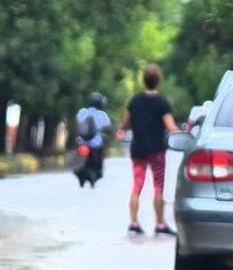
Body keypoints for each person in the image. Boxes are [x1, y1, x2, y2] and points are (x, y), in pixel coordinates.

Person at [122, 64, 180, 236]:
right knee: (158, 187)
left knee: (137, 185)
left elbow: (125, 123)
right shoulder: (162, 103)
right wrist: (185, 135)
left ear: (143, 80)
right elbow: (171, 127)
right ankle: (160, 225)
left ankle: (133, 223)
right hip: (156, 151)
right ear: (159, 81)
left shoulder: (135, 101)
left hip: (138, 149)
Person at [74, 92, 110, 188]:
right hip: (96, 142)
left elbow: (77, 126)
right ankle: (99, 167)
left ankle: (78, 166)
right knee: (103, 148)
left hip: (81, 141)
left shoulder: (82, 112)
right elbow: (108, 128)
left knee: (78, 152)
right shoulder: (102, 115)